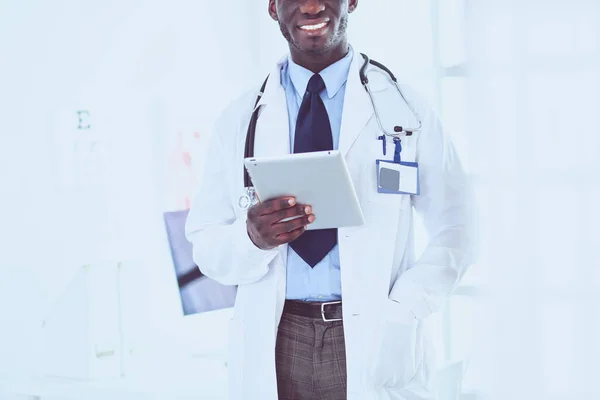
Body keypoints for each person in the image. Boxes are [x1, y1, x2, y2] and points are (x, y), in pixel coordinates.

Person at [185, 0, 476, 398]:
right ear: (272, 7)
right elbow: (205, 243)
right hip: (277, 339)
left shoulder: (406, 109)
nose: (310, 5)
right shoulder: (240, 119)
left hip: (372, 331)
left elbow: (460, 228)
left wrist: (406, 306)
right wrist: (251, 238)